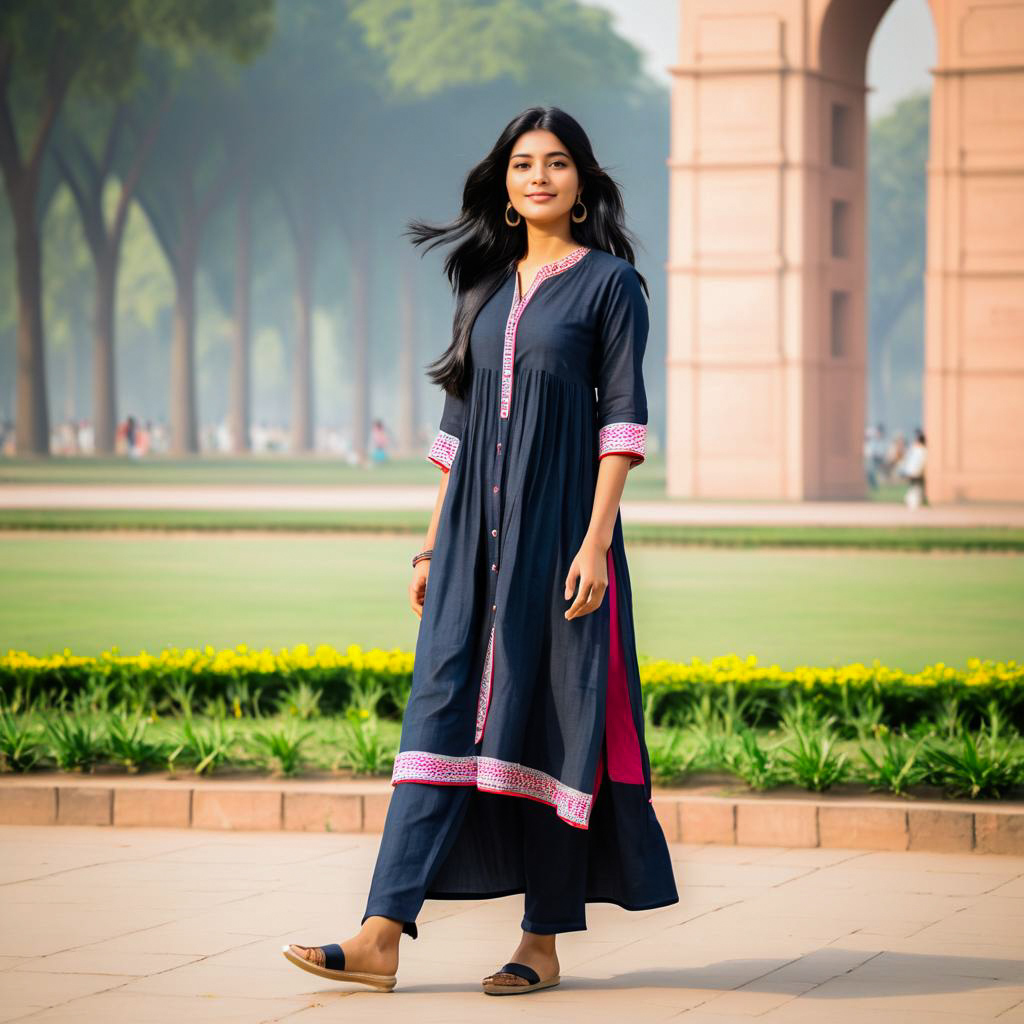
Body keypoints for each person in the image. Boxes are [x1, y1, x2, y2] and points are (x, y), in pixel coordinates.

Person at [282, 106, 679, 996]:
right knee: (436, 722)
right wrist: (428, 548)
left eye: (557, 164)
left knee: (552, 727)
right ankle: (381, 933)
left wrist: (595, 541)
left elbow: (622, 420)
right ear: (504, 186)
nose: (538, 176)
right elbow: (456, 433)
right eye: (523, 164)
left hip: (558, 543)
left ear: (582, 186)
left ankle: (540, 942)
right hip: (466, 548)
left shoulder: (612, 287)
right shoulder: (482, 291)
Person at [901, 428, 928, 508]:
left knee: (914, 486)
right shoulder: (922, 450)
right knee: (916, 487)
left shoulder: (917, 450)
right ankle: (913, 501)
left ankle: (912, 501)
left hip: (913, 471)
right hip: (916, 472)